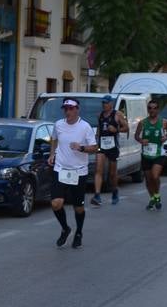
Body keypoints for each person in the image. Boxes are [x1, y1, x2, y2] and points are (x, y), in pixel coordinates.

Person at [49, 98, 97, 246]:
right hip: (60, 169)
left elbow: (94, 147)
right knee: (56, 203)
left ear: (77, 109)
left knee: (79, 208)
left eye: (71, 108)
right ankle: (65, 228)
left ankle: (79, 232)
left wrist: (81, 148)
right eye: (65, 109)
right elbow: (54, 139)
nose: (68, 111)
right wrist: (52, 154)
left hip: (79, 171)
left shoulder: (85, 127)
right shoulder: (58, 125)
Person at [134, 98, 167, 210]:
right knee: (148, 179)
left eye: (155, 108)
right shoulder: (142, 123)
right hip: (146, 154)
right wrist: (141, 140)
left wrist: (166, 137)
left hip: (159, 154)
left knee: (155, 176)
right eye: (150, 108)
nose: (152, 110)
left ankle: (157, 195)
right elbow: (136, 136)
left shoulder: (164, 122)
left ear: (158, 110)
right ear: (147, 109)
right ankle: (153, 198)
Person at [91, 95, 127, 206]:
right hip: (102, 145)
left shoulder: (117, 115)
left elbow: (126, 128)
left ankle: (115, 190)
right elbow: (99, 129)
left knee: (112, 173)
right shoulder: (100, 115)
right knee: (98, 170)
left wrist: (116, 130)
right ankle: (97, 195)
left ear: (111, 104)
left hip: (112, 146)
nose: (104, 105)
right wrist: (96, 141)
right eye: (103, 103)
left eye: (106, 103)